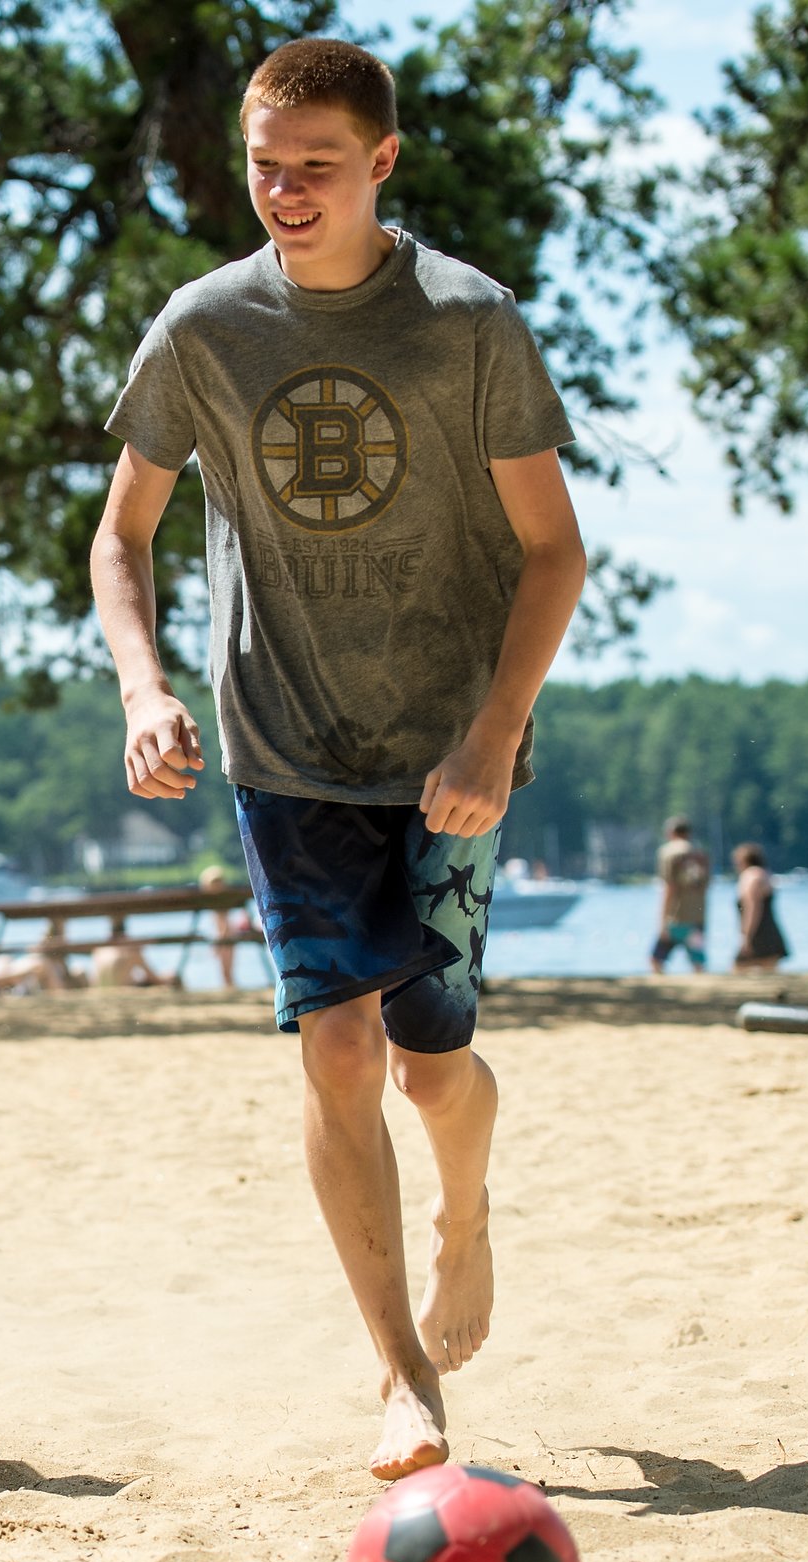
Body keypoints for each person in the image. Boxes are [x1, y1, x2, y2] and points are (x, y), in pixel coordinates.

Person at [91, 38, 586, 1481]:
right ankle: (401, 1374)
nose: (284, 191)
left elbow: (554, 551)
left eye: (315, 166)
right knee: (340, 1040)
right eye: (263, 165)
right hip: (283, 743)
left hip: (450, 753)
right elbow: (122, 535)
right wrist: (142, 684)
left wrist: (496, 730)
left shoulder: (467, 324)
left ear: (382, 163)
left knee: (438, 1072)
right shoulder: (201, 331)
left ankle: (468, 1209)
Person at [650, 816, 710, 974]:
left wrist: (662, 920)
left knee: (656, 960)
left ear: (670, 832)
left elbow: (669, 887)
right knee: (698, 962)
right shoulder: (700, 853)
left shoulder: (668, 852)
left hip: (675, 918)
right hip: (697, 917)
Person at [733, 842, 789, 971]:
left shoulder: (751, 876)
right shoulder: (765, 874)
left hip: (758, 933)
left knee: (738, 968)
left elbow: (752, 909)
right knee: (770, 973)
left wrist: (747, 937)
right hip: (770, 930)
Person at [89, 939, 181, 989]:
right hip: (117, 986)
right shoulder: (133, 954)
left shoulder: (100, 950)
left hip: (99, 986)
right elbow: (156, 980)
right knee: (171, 975)